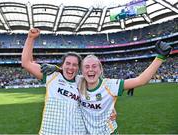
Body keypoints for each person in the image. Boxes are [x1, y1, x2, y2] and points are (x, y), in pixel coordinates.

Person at [41, 41, 172, 134]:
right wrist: (57, 68)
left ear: (100, 69)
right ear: (82, 71)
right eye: (86, 67)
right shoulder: (78, 81)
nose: (90, 69)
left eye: (94, 66)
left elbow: (141, 80)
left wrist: (160, 58)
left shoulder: (110, 85)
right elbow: (68, 72)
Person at [21, 28, 87, 134]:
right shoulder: (52, 76)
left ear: (78, 68)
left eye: (75, 65)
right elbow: (26, 63)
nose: (71, 67)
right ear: (62, 64)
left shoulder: (83, 82)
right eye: (68, 63)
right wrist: (31, 38)